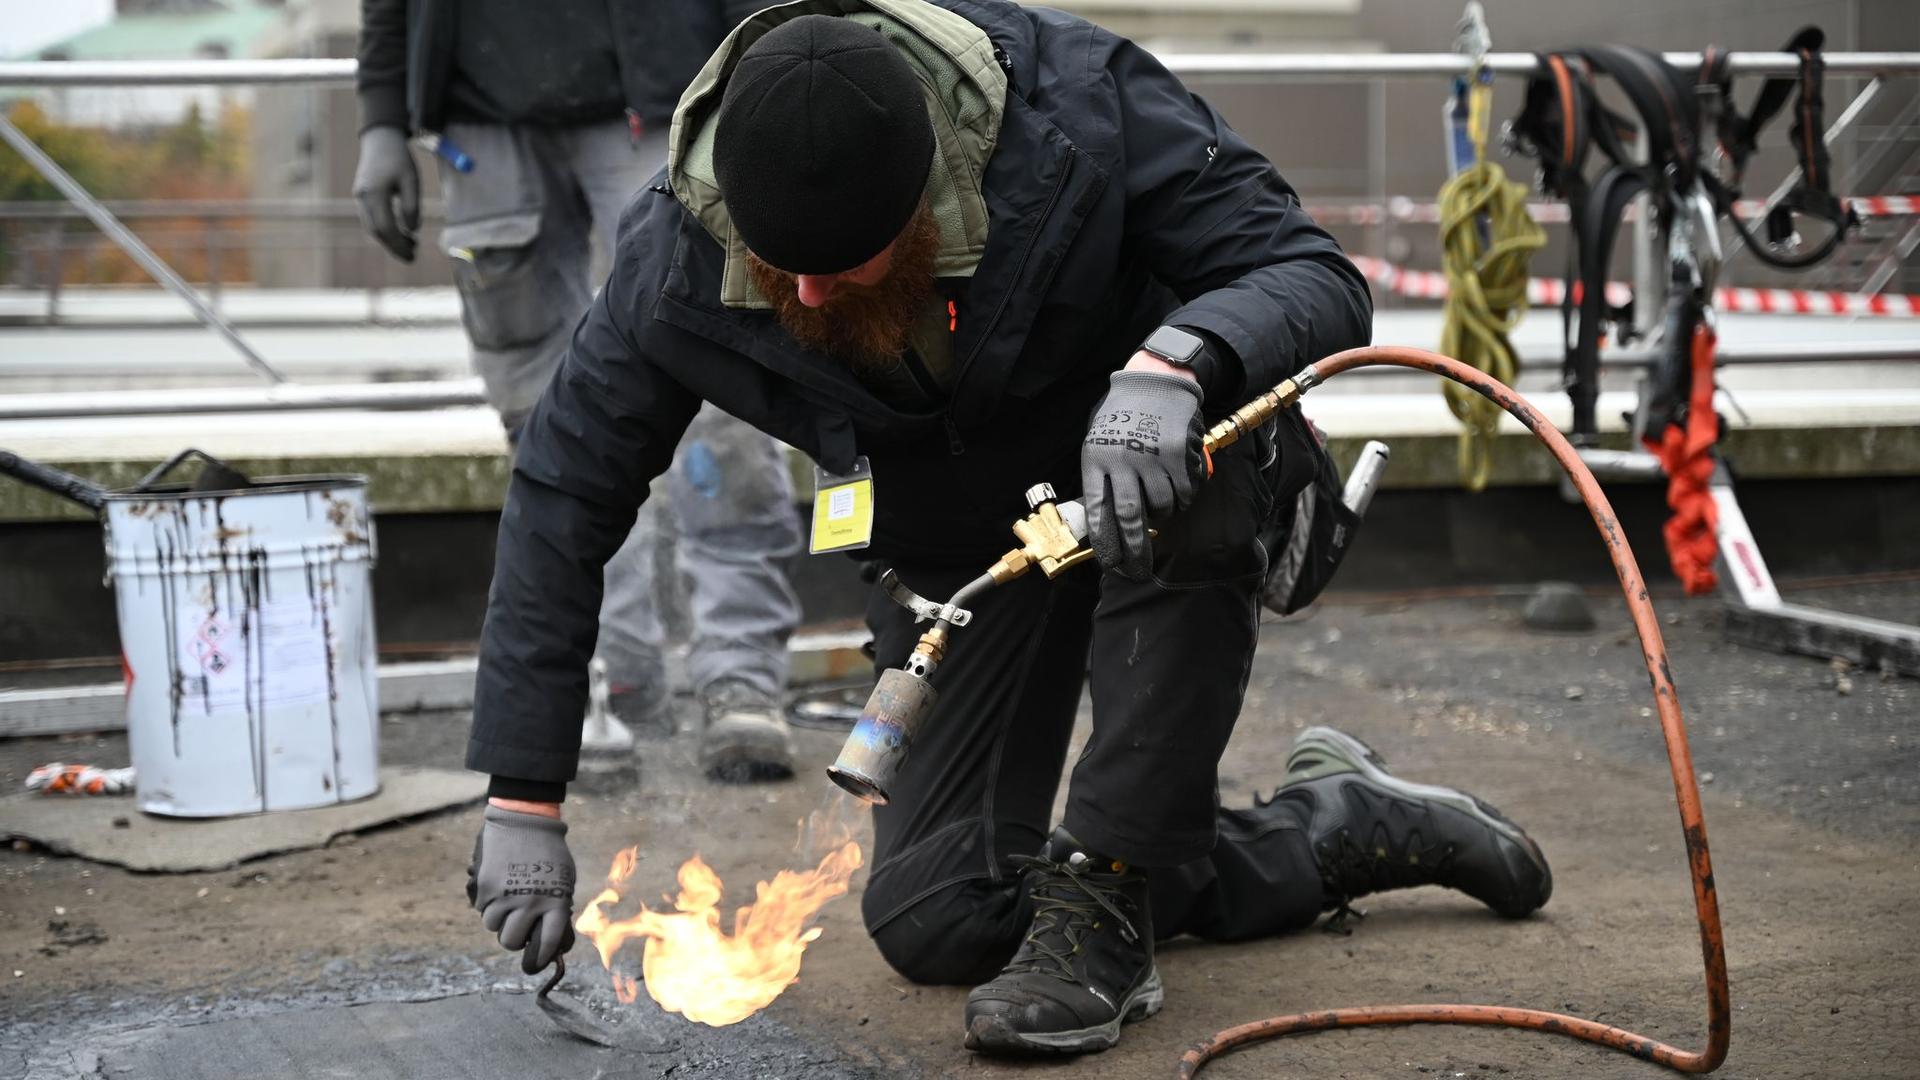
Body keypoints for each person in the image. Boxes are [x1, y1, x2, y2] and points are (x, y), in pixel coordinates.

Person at [461, 0, 1553, 1057]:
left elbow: (1310, 272)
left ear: (924, 198)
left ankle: (1109, 906)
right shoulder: (678, 253)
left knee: (1190, 481)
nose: (803, 286)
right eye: (778, 265)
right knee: (936, 915)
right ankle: (1328, 828)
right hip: (968, 551)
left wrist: (1177, 365)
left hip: (1150, 470)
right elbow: (564, 490)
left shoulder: (1076, 110)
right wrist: (522, 790)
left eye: (842, 267)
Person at [350, 0, 802, 779]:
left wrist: (756, 75)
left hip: (668, 99)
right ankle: (606, 679)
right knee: (546, 422)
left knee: (720, 403)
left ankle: (739, 676)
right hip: (482, 119)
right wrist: (380, 117)